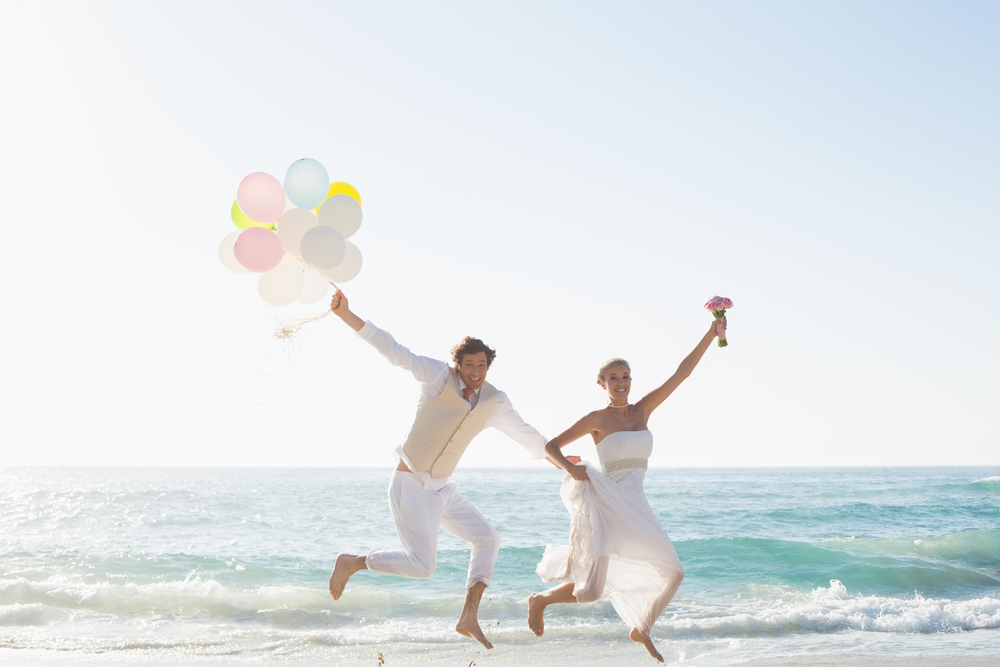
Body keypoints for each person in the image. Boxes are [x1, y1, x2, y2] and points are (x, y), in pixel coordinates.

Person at [325, 289, 549, 650]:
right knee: (422, 566)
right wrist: (347, 315)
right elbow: (394, 351)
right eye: (469, 365)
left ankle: (469, 615)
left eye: (482, 366)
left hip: (442, 489)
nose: (476, 372)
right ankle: (354, 562)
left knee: (488, 538)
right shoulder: (437, 378)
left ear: (488, 366)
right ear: (458, 364)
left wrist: (560, 458)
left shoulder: (495, 401)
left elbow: (527, 435)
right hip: (410, 482)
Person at [527, 315, 726, 662]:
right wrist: (572, 468)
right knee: (592, 589)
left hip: (636, 503)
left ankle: (641, 628)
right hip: (606, 501)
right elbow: (550, 446)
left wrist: (711, 333)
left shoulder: (642, 410)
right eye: (613, 378)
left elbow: (682, 373)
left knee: (674, 573)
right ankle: (540, 600)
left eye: (626, 377)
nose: (621, 383)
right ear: (602, 383)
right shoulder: (596, 419)